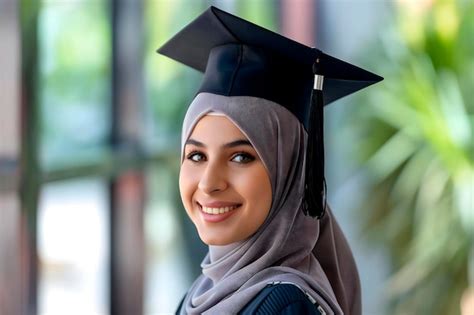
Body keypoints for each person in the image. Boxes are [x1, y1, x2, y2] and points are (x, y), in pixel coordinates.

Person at [157, 6, 382, 315]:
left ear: (290, 173)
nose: (209, 183)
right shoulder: (199, 294)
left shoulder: (286, 307)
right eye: (196, 155)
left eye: (240, 156)